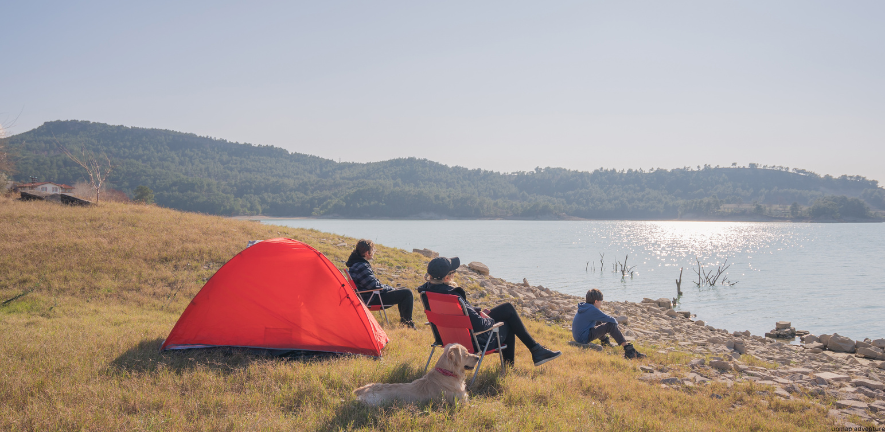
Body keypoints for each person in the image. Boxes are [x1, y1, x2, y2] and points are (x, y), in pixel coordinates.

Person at [417, 256, 562, 367]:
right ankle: (516, 363)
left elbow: (456, 316)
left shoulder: (427, 293)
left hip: (447, 338)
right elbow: (480, 325)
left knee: (507, 308)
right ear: (447, 278)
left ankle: (536, 351)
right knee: (507, 322)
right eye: (453, 272)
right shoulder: (453, 296)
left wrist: (476, 312)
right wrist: (490, 320)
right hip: (471, 342)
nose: (455, 274)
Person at [346, 239, 415, 328]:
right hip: (372, 298)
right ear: (367, 253)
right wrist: (390, 288)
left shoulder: (356, 264)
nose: (374, 252)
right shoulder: (361, 266)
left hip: (368, 295)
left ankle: (405, 322)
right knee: (407, 293)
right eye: (373, 250)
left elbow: (373, 284)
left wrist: (389, 288)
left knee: (403, 290)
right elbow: (374, 286)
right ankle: (408, 323)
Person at [572, 288, 646, 359]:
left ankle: (605, 342)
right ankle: (629, 350)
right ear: (596, 301)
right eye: (601, 301)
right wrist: (616, 326)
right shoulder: (592, 309)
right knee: (610, 325)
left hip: (578, 336)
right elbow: (610, 319)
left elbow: (603, 319)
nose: (601, 303)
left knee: (599, 321)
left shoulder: (585, 307)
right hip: (583, 338)